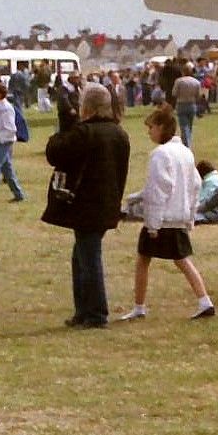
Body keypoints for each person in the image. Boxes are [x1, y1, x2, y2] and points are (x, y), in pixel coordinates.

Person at [42, 82, 131, 328]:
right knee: (81, 255)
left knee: (89, 257)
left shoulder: (85, 133)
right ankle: (83, 309)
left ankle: (96, 313)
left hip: (85, 204)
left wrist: (64, 126)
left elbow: (55, 152)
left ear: (88, 107)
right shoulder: (118, 133)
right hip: (107, 202)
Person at [117, 106, 214, 322]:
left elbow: (158, 189)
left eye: (151, 127)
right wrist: (190, 217)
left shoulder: (159, 154)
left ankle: (139, 306)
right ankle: (204, 300)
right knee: (182, 260)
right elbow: (194, 185)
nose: (149, 132)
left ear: (161, 127)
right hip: (178, 216)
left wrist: (152, 223)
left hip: (162, 219)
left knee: (143, 259)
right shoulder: (186, 152)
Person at [171, 68, 203, 149]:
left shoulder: (179, 81)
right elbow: (198, 95)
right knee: (190, 125)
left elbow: (174, 93)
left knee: (184, 126)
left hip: (181, 104)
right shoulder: (196, 82)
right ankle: (188, 141)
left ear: (183, 72)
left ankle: (186, 144)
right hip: (192, 104)